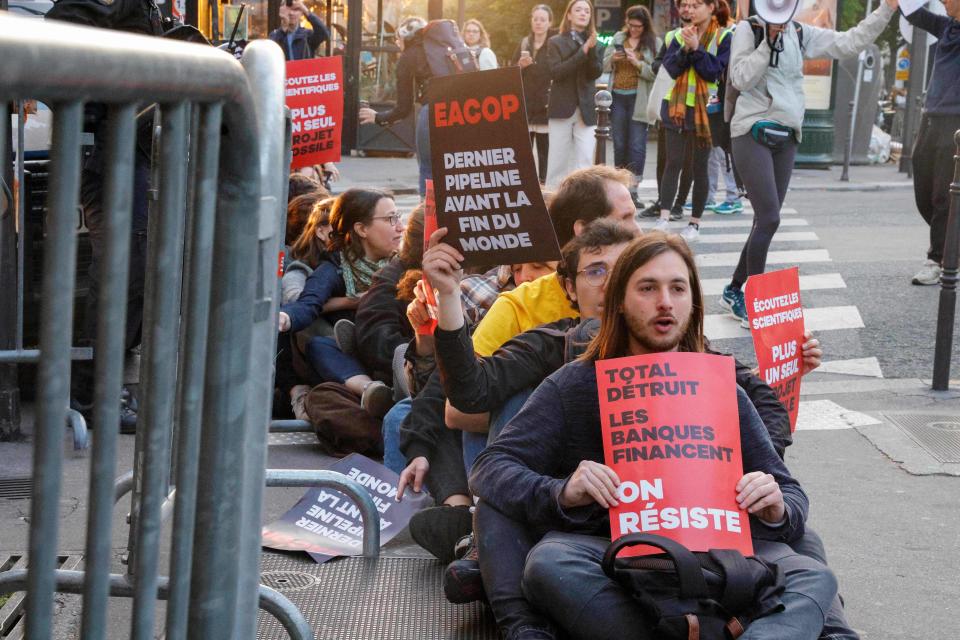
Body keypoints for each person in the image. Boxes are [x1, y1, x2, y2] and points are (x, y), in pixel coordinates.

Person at [467, 232, 839, 640]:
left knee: (814, 577)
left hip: (719, 559)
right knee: (548, 564)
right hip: (618, 559)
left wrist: (775, 506)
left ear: (692, 302)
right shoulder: (575, 384)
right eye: (648, 288)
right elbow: (490, 468)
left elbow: (789, 491)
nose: (665, 301)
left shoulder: (720, 386)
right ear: (621, 303)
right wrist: (562, 492)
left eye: (677, 288)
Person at [718, 0, 897, 325]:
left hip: (787, 134)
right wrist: (767, 44)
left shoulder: (800, 32)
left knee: (764, 220)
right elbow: (741, 78)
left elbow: (848, 43)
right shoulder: (749, 29)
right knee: (770, 219)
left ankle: (733, 289)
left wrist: (885, 9)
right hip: (751, 130)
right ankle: (754, 303)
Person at [277, 188, 403, 416]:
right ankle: (373, 392)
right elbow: (308, 302)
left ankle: (405, 382)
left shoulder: (403, 265)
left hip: (391, 350)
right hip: (358, 358)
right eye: (390, 219)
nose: (400, 227)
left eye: (399, 218)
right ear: (361, 229)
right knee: (319, 345)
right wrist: (284, 318)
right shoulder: (333, 269)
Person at [652, 0, 732, 243]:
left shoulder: (724, 36)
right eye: (687, 5)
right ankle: (664, 218)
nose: (691, 10)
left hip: (706, 110)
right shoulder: (675, 36)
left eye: (697, 4)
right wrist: (684, 50)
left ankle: (694, 224)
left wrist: (697, 49)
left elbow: (715, 71)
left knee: (700, 166)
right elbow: (666, 69)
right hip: (674, 107)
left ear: (711, 7)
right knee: (672, 162)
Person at [902, 0, 960, 285]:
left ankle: (939, 259)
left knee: (943, 195)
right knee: (924, 190)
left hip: (956, 122)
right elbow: (912, 12)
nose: (943, 2)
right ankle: (952, 244)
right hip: (931, 117)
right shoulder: (946, 25)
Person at [358, 17, 433, 196]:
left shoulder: (408, 57)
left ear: (406, 37)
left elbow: (404, 108)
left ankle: (425, 220)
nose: (398, 44)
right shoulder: (440, 51)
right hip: (462, 111)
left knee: (428, 169)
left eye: (398, 39)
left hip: (433, 113)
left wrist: (378, 117)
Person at [545, 0, 603, 187]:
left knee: (585, 162)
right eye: (578, 10)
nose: (583, 13)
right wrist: (583, 51)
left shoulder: (596, 42)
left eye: (587, 11)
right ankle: (552, 204)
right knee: (557, 162)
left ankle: (581, 204)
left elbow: (595, 72)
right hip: (562, 107)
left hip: (586, 108)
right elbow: (557, 72)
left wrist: (592, 50)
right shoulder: (555, 42)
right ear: (569, 15)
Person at [602, 5, 659, 190]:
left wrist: (637, 63)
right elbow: (603, 65)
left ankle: (633, 188)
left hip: (639, 99)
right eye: (631, 25)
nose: (633, 29)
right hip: (618, 96)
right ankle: (620, 186)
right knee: (619, 142)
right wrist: (614, 59)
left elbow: (654, 74)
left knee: (636, 144)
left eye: (638, 26)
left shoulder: (653, 42)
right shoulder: (619, 38)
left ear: (645, 26)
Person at [512, 4, 556, 183]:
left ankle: (544, 185)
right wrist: (520, 66)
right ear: (531, 20)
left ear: (549, 22)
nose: (538, 23)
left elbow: (557, 70)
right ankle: (525, 184)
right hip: (526, 103)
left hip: (546, 103)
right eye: (535, 19)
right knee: (524, 151)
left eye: (542, 20)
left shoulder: (555, 42)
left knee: (545, 151)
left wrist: (534, 66)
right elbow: (511, 72)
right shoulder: (524, 43)